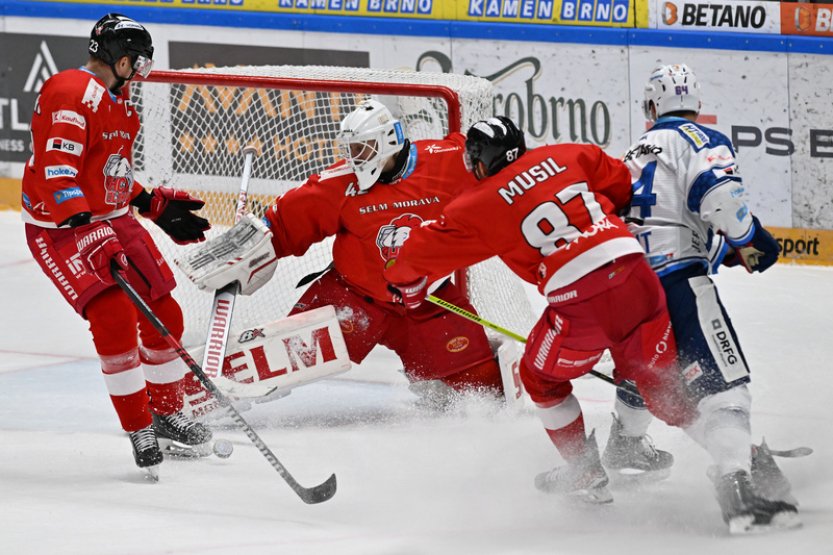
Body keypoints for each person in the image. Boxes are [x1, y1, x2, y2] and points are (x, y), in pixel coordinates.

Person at [384, 115, 698, 504]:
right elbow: (620, 183)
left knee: (541, 379)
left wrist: (405, 283)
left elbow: (411, 259)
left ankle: (583, 468)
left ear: (481, 162)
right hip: (636, 275)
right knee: (655, 378)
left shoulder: (476, 205)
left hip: (579, 302)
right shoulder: (571, 153)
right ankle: (733, 449)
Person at [196, 99, 505, 409]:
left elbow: (500, 171)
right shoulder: (341, 182)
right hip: (350, 298)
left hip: (428, 298)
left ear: (390, 141)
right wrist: (245, 248)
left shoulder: (449, 162)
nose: (355, 159)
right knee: (266, 362)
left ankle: (442, 388)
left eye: (363, 149)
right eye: (351, 149)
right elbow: (285, 222)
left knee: (485, 391)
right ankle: (176, 400)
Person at [22, 13, 213, 478]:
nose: (142, 71)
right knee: (113, 319)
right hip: (59, 226)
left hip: (110, 217)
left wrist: (150, 202)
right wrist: (87, 230)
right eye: (139, 62)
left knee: (165, 314)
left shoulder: (120, 99)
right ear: (122, 58)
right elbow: (57, 171)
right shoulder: (71, 91)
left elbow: (108, 171)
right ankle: (139, 426)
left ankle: (167, 414)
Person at [620, 63, 799, 533]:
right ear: (696, 104)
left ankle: (626, 438)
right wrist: (751, 238)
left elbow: (659, 219)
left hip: (629, 288)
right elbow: (717, 197)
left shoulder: (632, 152)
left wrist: (727, 250)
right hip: (679, 283)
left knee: (670, 384)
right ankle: (737, 482)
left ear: (652, 106)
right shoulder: (699, 139)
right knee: (725, 391)